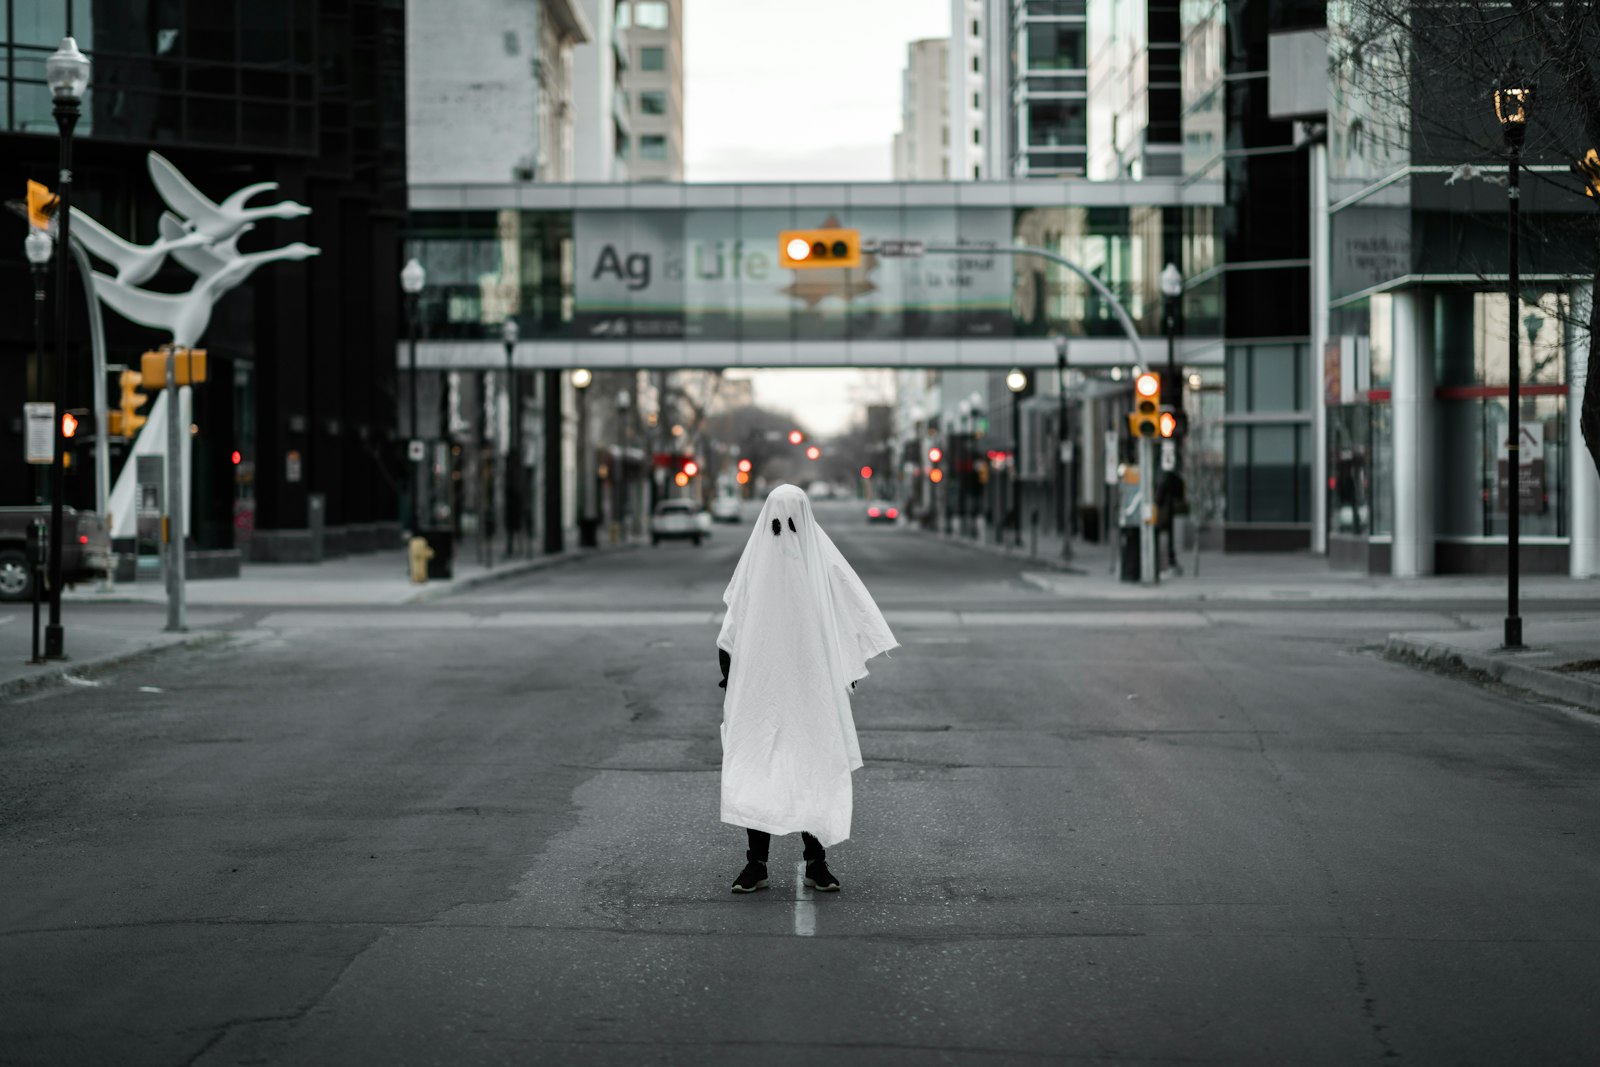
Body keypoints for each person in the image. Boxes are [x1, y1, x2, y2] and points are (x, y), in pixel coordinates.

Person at [716, 484, 898, 894]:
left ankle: (817, 862)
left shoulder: (823, 565)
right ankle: (756, 864)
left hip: (812, 686)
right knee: (757, 765)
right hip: (760, 686)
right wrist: (731, 676)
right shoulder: (754, 567)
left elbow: (847, 617)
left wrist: (844, 671)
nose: (784, 533)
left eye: (791, 524)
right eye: (776, 525)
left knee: (813, 763)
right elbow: (732, 627)